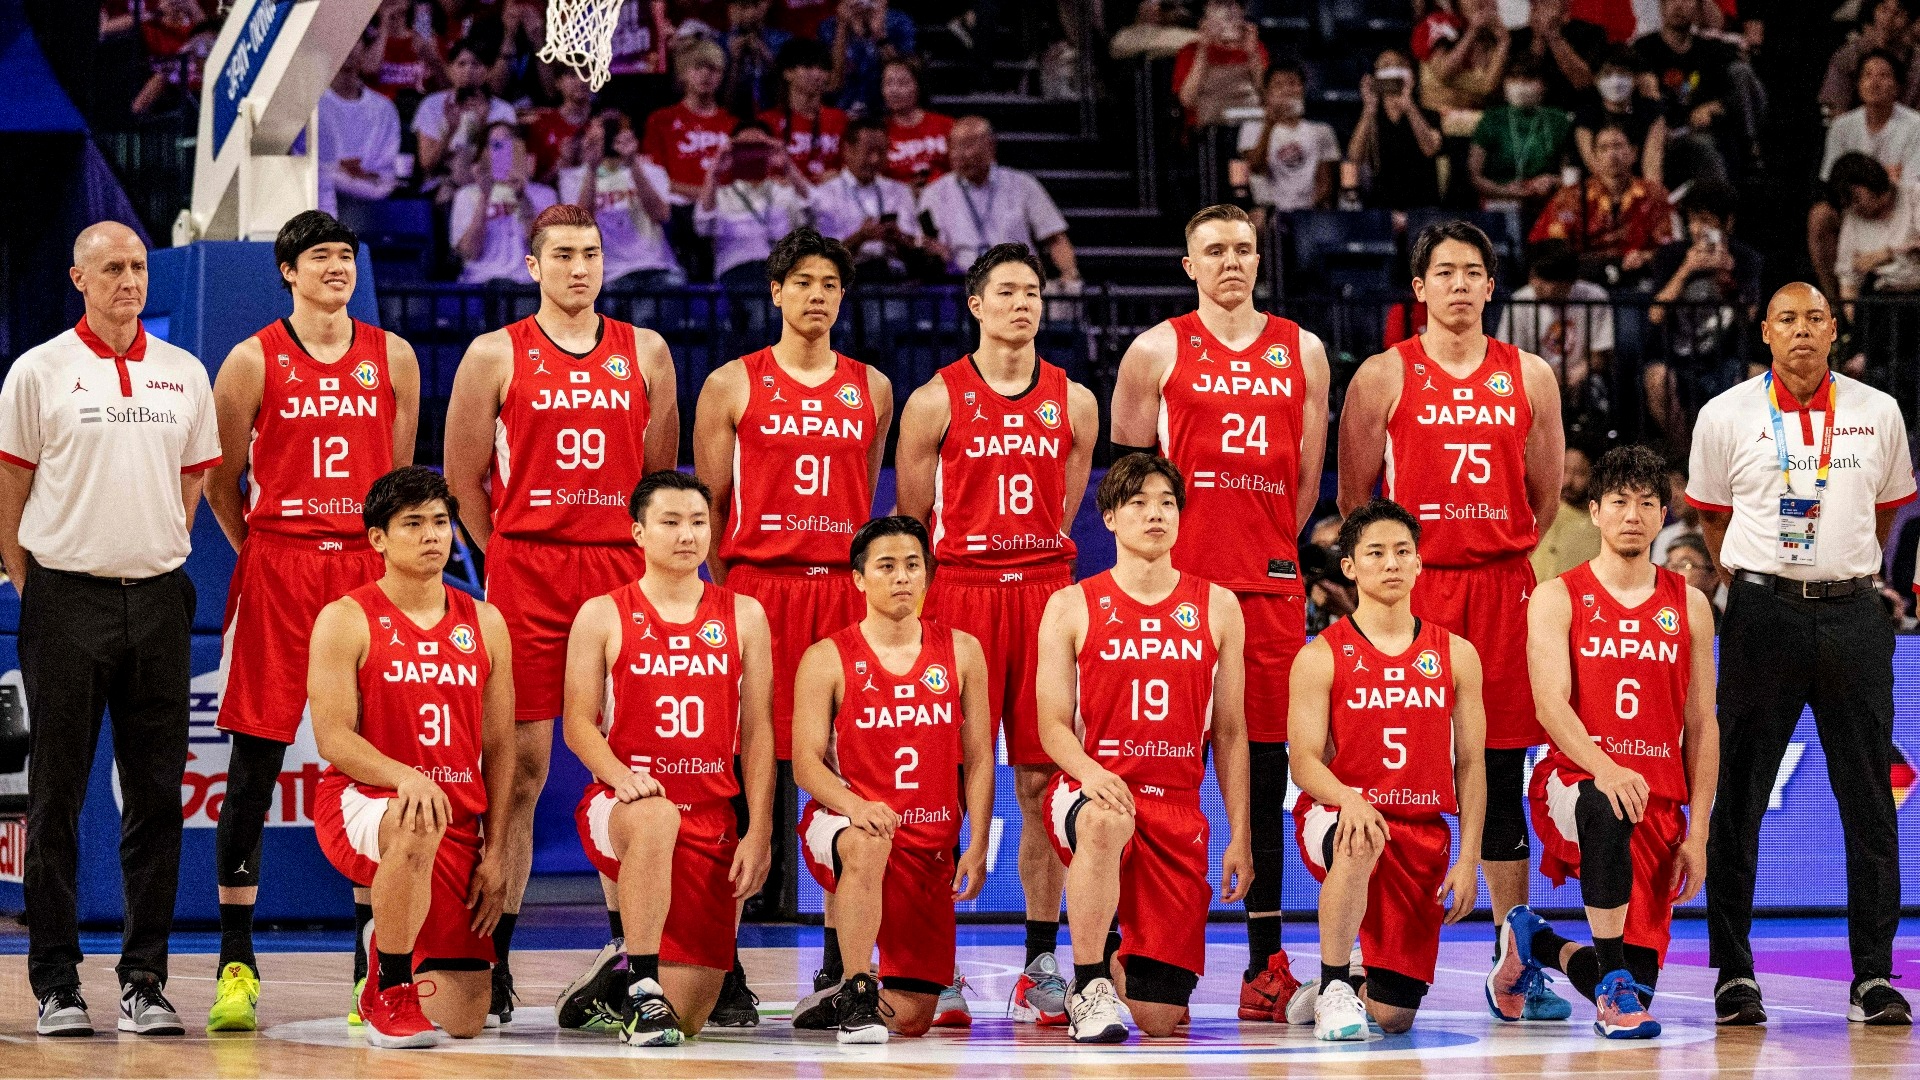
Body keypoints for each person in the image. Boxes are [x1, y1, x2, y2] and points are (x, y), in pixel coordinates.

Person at [442, 202, 680, 1027]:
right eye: (564, 256)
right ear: (533, 266)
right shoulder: (492, 353)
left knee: (641, 766)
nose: (580, 268)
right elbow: (464, 479)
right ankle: (493, 958)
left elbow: (658, 487)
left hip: (619, 573)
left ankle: (632, 958)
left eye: (592, 255)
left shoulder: (646, 351)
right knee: (521, 775)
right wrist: (513, 550)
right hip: (529, 573)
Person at [1338, 219, 1570, 1021]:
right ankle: (1364, 963)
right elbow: (1355, 502)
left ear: (1491, 285)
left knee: (1500, 774)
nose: (1461, 285)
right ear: (1419, 287)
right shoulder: (1381, 376)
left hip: (1503, 590)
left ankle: (1513, 961)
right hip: (1416, 588)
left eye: (1474, 272)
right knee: (1391, 776)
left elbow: (1543, 500)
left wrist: (1493, 548)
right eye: (1445, 272)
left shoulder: (1530, 374)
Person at [1108, 203, 1330, 1023]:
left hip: (1268, 591)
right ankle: (1128, 946)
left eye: (1243, 249)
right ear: (1188, 265)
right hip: (1177, 595)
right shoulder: (1155, 349)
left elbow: (1306, 482)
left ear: (1258, 260)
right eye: (1214, 251)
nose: (1231, 262)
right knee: (1156, 772)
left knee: (1261, 777)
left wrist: (1270, 543)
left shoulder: (1303, 349)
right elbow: (1130, 483)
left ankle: (1264, 964)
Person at [201, 211, 422, 1032]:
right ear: (288, 272)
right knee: (254, 763)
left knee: (380, 760)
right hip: (280, 563)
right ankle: (236, 961)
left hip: (365, 571)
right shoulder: (252, 358)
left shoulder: (391, 355)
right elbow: (223, 480)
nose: (337, 267)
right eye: (320, 257)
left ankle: (372, 962)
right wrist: (264, 548)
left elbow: (397, 483)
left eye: (346, 256)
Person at [0, 222, 220, 1038]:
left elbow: (191, 487)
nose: (130, 280)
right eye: (113, 268)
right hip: (63, 599)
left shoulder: (183, 373)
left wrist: (151, 553)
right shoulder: (38, 371)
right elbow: (9, 490)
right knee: (56, 796)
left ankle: (145, 981)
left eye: (137, 267)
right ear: (78, 278)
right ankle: (56, 981)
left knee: (157, 798)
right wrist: (40, 586)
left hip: (160, 599)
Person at [1687, 283, 1916, 1027]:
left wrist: (1835, 570)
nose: (1802, 332)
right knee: (1739, 799)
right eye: (1787, 319)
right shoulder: (1725, 415)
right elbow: (1711, 522)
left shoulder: (1878, 412)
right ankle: (1733, 974)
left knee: (1870, 801)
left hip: (1854, 612)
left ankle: (1874, 977)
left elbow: (1885, 512)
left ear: (1835, 329)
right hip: (1760, 614)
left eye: (1816, 319)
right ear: (1765, 332)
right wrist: (1767, 583)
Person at [893, 244, 1099, 1026]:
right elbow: (913, 522)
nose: (1024, 303)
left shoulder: (1075, 401)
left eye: (1034, 291)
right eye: (1007, 291)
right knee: (940, 787)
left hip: (1045, 590)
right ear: (975, 304)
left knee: (1045, 783)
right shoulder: (933, 400)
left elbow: (1066, 503)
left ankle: (1040, 964)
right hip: (962, 593)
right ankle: (934, 963)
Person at [692, 227, 891, 973]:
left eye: (830, 284)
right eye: (802, 281)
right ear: (775, 291)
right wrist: (733, 593)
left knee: (846, 770)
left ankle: (844, 965)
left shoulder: (871, 387)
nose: (816, 295)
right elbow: (712, 503)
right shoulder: (731, 383)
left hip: (840, 592)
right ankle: (725, 962)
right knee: (739, 777)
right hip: (756, 589)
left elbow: (864, 493)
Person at [1495, 444, 1719, 1038]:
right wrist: (1606, 769)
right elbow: (1550, 705)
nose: (1632, 515)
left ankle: (1537, 941)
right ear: (1594, 511)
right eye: (1619, 502)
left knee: (1638, 975)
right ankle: (1613, 999)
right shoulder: (1557, 595)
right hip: (1572, 782)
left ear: (1662, 515)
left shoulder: (1689, 604)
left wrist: (1697, 833)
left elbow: (1702, 725)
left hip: (1659, 799)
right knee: (1605, 802)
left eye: (1647, 504)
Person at [1034, 454, 1253, 1041]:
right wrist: (1090, 774)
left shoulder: (1219, 606)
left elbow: (1230, 733)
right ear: (1108, 518)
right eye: (1138, 503)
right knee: (1106, 820)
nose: (1155, 514)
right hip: (1090, 789)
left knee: (1160, 1020)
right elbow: (1051, 725)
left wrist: (1241, 833)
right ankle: (1087, 985)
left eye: (1167, 502)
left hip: (1176, 806)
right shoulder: (1072, 604)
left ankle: (1116, 960)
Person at [554, 470, 776, 1044]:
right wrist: (620, 777)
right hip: (626, 805)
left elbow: (757, 733)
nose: (686, 535)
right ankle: (643, 985)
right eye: (670, 523)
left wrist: (759, 832)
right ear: (638, 533)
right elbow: (577, 723)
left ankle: (619, 976)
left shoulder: (745, 615)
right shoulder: (602, 613)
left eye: (698, 522)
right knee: (656, 815)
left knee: (692, 1019)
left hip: (711, 814)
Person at [308, 467, 514, 1049]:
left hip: (456, 819)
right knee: (417, 814)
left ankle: (386, 938)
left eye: (442, 523)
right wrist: (407, 778)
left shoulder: (485, 621)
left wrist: (495, 851)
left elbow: (499, 748)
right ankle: (391, 990)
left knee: (466, 1019)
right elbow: (334, 739)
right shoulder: (345, 618)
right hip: (364, 801)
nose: (433, 536)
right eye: (413, 524)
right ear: (377, 539)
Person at [1285, 498, 1487, 1040]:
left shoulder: (1457, 654)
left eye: (1403, 552)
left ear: (1420, 563)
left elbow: (1470, 764)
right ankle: (1333, 987)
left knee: (1395, 1019)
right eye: (1376, 553)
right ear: (1349, 565)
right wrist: (1349, 799)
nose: (1392, 563)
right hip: (1340, 814)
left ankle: (1349, 977)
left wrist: (1470, 859)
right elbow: (1302, 759)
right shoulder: (1321, 654)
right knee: (1359, 837)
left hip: (1421, 834)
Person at [787, 516, 995, 1043]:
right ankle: (856, 986)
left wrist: (975, 843)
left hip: (928, 845)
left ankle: (843, 996)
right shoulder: (827, 657)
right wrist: (854, 806)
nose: (902, 577)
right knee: (867, 841)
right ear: (858, 578)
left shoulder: (963, 651)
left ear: (928, 575)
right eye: (886, 567)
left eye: (912, 566)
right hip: (845, 824)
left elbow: (978, 757)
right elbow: (806, 762)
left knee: (913, 1020)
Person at [1641, 180, 1763, 443]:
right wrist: (1686, 270)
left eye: (1707, 222)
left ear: (1727, 223)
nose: (1698, 229)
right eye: (1693, 221)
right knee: (1657, 378)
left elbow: (1748, 318)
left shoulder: (1746, 259)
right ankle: (1685, 460)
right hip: (1676, 356)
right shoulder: (1670, 256)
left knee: (1758, 377)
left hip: (1726, 356)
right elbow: (1655, 314)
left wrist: (1726, 278)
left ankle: (1728, 462)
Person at [919, 117, 1081, 286]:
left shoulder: (1023, 184)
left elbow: (1055, 237)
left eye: (968, 145)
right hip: (961, 285)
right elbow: (930, 245)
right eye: (954, 146)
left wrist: (1070, 273)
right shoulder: (934, 193)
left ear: (990, 146)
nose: (960, 154)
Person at [1812, 54, 1920, 307]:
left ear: (1898, 86)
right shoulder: (1842, 126)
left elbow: (1909, 180)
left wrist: (1887, 253)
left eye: (1883, 75)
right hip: (1857, 201)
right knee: (1819, 216)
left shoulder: (1915, 125)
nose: (1874, 82)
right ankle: (1835, 309)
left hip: (1899, 200)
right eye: (1867, 75)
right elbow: (1833, 180)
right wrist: (1857, 197)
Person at [1530, 124, 1671, 285]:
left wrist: (1645, 256)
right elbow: (1548, 245)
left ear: (1633, 153)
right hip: (1584, 279)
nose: (1612, 154)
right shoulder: (1570, 196)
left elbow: (1670, 246)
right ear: (1595, 157)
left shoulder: (1656, 194)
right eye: (1604, 148)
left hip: (1639, 276)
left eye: (1618, 146)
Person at [560, 111, 686, 292]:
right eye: (603, 126)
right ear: (589, 132)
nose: (609, 133)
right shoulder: (573, 177)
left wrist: (633, 163)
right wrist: (591, 169)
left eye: (615, 127)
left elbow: (661, 215)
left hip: (657, 266)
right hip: (610, 274)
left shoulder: (652, 170)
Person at [1631, 0, 1739, 184]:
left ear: (1698, 10)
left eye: (1686, 0)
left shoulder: (1711, 51)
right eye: (1672, 1)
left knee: (1706, 144)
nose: (1678, 5)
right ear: (1662, 7)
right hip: (1655, 134)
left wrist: (1711, 107)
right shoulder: (1642, 49)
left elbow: (1731, 97)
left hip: (1699, 131)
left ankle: (1713, 209)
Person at [695, 121, 815, 286]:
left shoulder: (783, 192)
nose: (751, 154)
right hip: (736, 273)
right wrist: (715, 171)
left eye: (759, 147)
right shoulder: (720, 195)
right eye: (744, 148)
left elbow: (814, 210)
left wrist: (788, 165)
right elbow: (703, 226)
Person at [807, 118, 927, 281]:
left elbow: (917, 245)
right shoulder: (825, 195)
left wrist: (897, 237)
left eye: (881, 152)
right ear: (847, 150)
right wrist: (861, 237)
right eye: (869, 152)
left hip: (893, 277)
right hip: (845, 280)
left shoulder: (899, 191)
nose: (875, 160)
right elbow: (824, 256)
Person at [1496, 239, 1616, 403]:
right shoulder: (1520, 300)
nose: (1536, 285)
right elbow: (1510, 355)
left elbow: (1601, 354)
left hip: (1582, 378)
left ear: (1568, 282)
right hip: (1533, 376)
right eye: (1534, 278)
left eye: (1547, 282)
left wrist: (1576, 374)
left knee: (1594, 390)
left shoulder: (1594, 296)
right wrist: (1546, 374)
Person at [450, 123, 559, 286]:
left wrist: (522, 198)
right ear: (484, 153)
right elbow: (470, 252)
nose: (502, 152)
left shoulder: (545, 194)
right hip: (481, 281)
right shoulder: (466, 195)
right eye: (495, 145)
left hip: (527, 283)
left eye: (509, 145)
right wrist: (484, 197)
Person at [1469, 55, 1574, 212]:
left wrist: (1553, 181)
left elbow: (1570, 176)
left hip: (1546, 203)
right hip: (1498, 202)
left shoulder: (1558, 119)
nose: (1521, 86)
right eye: (1515, 79)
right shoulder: (1493, 118)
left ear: (1543, 85)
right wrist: (1505, 192)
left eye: (1528, 80)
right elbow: (1474, 175)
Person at [1238, 62, 1342, 217]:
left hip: (1310, 209)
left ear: (1303, 89)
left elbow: (1325, 185)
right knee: (1254, 223)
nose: (1287, 91)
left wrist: (1303, 213)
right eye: (1278, 85)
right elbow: (1256, 168)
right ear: (1267, 93)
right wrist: (1270, 125)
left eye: (1293, 84)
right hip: (1269, 210)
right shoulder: (1252, 127)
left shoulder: (1321, 131)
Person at [642, 37, 738, 203]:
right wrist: (705, 195)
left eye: (713, 69)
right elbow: (655, 179)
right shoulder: (660, 120)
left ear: (722, 76)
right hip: (678, 211)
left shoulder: (734, 124)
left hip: (725, 211)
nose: (705, 74)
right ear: (682, 73)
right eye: (698, 67)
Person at [318, 30, 402, 217]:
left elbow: (385, 173)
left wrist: (358, 174)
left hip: (371, 201)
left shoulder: (384, 108)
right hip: (321, 198)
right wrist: (337, 171)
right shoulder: (313, 105)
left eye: (355, 41)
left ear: (364, 49)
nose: (348, 49)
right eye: (341, 44)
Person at [412, 38, 517, 187]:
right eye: (461, 64)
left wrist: (482, 125)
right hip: (443, 182)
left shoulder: (503, 110)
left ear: (487, 71)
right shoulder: (432, 105)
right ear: (450, 70)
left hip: (491, 183)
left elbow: (502, 166)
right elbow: (427, 164)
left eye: (476, 64)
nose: (468, 70)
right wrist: (450, 130)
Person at [1348, 48, 1444, 211]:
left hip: (1422, 205)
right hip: (1382, 207)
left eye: (1398, 66)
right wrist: (1368, 110)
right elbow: (1354, 157)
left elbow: (1430, 149)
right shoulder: (1370, 117)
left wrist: (1409, 106)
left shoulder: (1429, 115)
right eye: (1385, 66)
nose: (1391, 71)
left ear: (1410, 76)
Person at [1830, 152, 1920, 302]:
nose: (1855, 207)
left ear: (1872, 182)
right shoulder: (1853, 217)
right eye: (1849, 203)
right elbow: (1848, 281)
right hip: (1885, 298)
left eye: (1857, 199)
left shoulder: (1914, 196)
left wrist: (1889, 253)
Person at [1574, 50, 1668, 189]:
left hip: (1640, 189)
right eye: (1607, 74)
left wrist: (1648, 198)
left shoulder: (1650, 111)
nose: (1615, 81)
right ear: (1596, 80)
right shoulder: (1586, 115)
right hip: (1598, 191)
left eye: (1622, 73)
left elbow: (1652, 165)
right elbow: (1595, 165)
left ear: (1635, 79)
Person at [761, 38, 849, 183]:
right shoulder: (767, 122)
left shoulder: (840, 119)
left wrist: (840, 176)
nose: (817, 75)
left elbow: (851, 170)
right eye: (808, 67)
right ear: (788, 73)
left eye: (822, 68)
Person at [1819, 0, 1920, 118]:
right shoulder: (1850, 54)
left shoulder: (1916, 63)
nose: (1888, 19)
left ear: (1909, 21)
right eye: (1883, 9)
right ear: (1874, 11)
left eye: (1898, 13)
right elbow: (1835, 104)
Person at [820, 0, 917, 117]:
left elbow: (906, 74)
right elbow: (833, 84)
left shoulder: (898, 21)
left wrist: (880, 34)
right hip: (842, 107)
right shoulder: (828, 27)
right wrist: (842, 27)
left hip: (886, 110)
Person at [1506, 0, 1608, 111]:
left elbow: (1584, 83)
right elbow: (1519, 79)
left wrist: (1552, 34)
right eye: (1534, 3)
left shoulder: (1591, 33)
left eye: (1545, 3)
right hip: (1528, 112)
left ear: (1565, 5)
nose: (1538, 8)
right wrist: (1538, 39)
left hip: (1574, 109)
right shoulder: (1517, 37)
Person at [1530, 446, 1603, 580]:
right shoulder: (1537, 511)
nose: (1569, 481)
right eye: (1564, 470)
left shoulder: (1601, 524)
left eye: (1580, 473)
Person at [880, 58, 953, 186]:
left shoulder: (947, 125)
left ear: (919, 86)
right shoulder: (879, 132)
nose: (894, 91)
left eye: (902, 83)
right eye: (888, 83)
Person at [721, 0, 793, 118]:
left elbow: (788, 78)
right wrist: (734, 61)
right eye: (742, 7)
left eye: (754, 6)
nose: (748, 13)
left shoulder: (782, 39)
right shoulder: (721, 41)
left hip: (772, 109)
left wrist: (764, 53)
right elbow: (721, 93)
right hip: (732, 112)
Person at [525, 69, 596, 187]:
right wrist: (562, 163)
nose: (581, 81)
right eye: (573, 75)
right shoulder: (541, 123)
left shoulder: (601, 124)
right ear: (558, 82)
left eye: (586, 74)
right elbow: (533, 186)